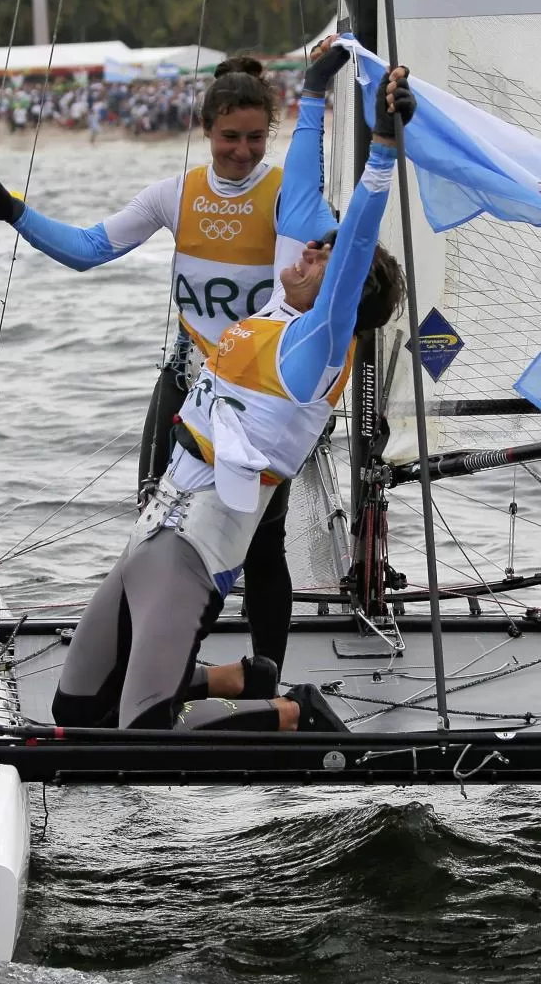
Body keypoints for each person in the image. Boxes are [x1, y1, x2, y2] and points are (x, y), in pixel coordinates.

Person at [49, 63, 414, 734]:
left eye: (321, 259)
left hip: (193, 551)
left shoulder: (317, 346)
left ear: (344, 293)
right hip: (152, 530)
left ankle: (293, 714)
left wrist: (384, 144)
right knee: (73, 709)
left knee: (143, 726)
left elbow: (357, 236)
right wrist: (310, 95)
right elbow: (302, 180)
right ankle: (244, 679)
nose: (307, 250)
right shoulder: (278, 306)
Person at [0, 52, 343, 675]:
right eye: (230, 138)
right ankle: (146, 662)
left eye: (255, 138)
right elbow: (89, 250)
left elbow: (327, 237)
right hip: (193, 382)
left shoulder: (286, 199)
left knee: (261, 544)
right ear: (206, 131)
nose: (243, 152)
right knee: (156, 522)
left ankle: (266, 673)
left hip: (264, 396)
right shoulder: (175, 195)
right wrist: (15, 213)